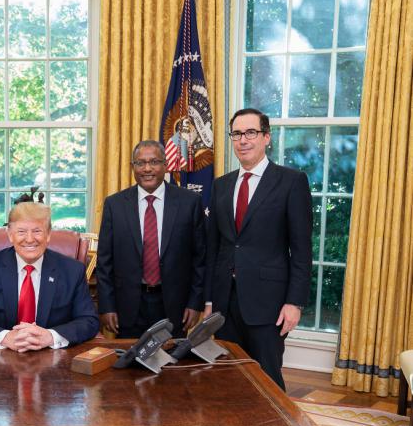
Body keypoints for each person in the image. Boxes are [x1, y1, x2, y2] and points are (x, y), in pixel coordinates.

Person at [204, 108, 312, 390]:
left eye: (251, 132)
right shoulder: (221, 186)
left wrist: (294, 303)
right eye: (237, 134)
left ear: (266, 137)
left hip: (269, 304)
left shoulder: (291, 182)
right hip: (225, 302)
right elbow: (214, 248)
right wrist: (208, 301)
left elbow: (302, 250)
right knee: (228, 378)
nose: (243, 140)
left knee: (267, 380)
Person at [96, 140, 206, 338]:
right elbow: (105, 261)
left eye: (154, 162)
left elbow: (200, 258)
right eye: (140, 163)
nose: (147, 168)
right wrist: (106, 306)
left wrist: (195, 302)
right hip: (128, 307)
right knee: (130, 366)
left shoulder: (190, 202)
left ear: (166, 165)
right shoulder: (115, 205)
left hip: (175, 306)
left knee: (172, 366)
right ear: (132, 167)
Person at [0, 202, 99, 350]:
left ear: (49, 234)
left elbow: (89, 320)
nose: (30, 239)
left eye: (37, 231)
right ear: (10, 235)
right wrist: (5, 337)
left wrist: (51, 337)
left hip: (54, 359)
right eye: (21, 232)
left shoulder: (72, 270)